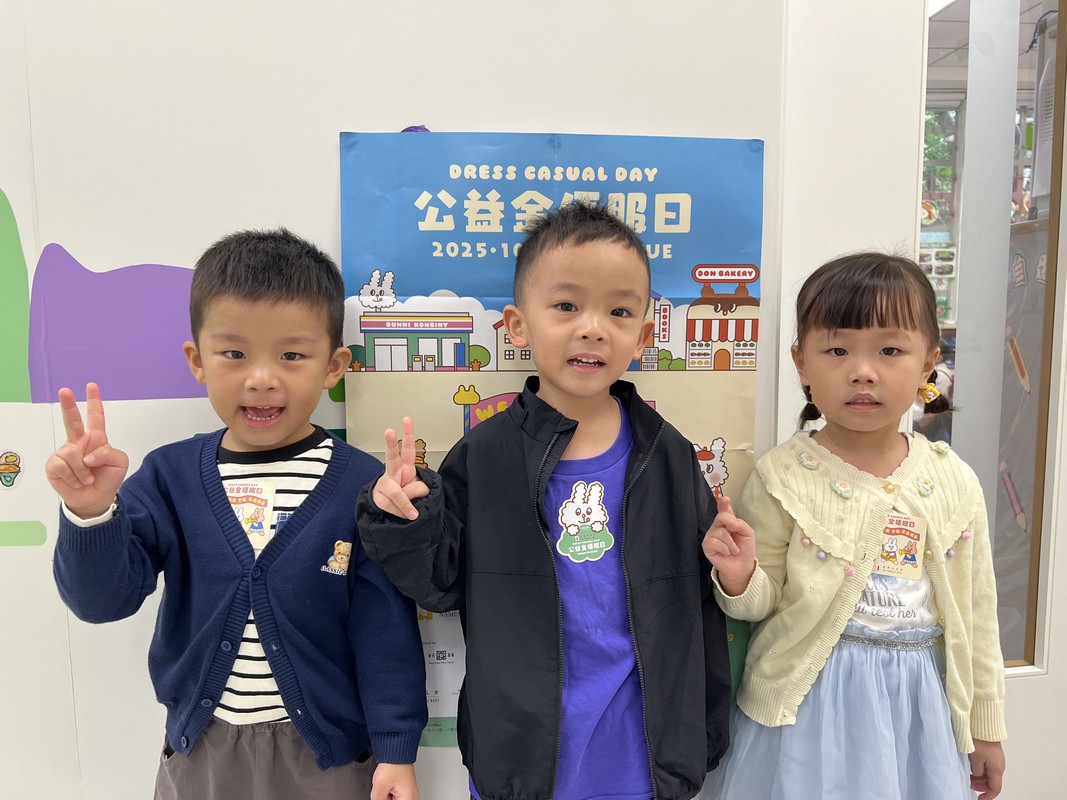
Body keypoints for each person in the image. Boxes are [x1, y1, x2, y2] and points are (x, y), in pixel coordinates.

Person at [357, 201, 736, 800]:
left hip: (646, 755)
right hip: (521, 754)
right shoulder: (484, 455)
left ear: (643, 337)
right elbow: (438, 584)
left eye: (619, 311)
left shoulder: (667, 453)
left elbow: (705, 602)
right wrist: (403, 516)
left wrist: (734, 575)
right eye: (566, 306)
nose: (593, 328)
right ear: (517, 327)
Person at [47, 229, 427, 800]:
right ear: (197, 361)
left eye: (292, 355)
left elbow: (384, 634)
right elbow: (102, 602)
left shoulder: (362, 485)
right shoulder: (170, 477)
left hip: (327, 755)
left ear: (334, 366)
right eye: (234, 354)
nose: (261, 378)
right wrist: (91, 511)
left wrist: (396, 751)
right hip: (203, 749)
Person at [704, 252, 1007, 800]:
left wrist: (986, 726)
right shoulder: (782, 474)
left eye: (890, 350)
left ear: (928, 365)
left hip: (919, 709)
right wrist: (739, 576)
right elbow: (758, 605)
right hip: (806, 710)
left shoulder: (954, 480)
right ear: (801, 364)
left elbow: (977, 613)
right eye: (837, 350)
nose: (862, 371)